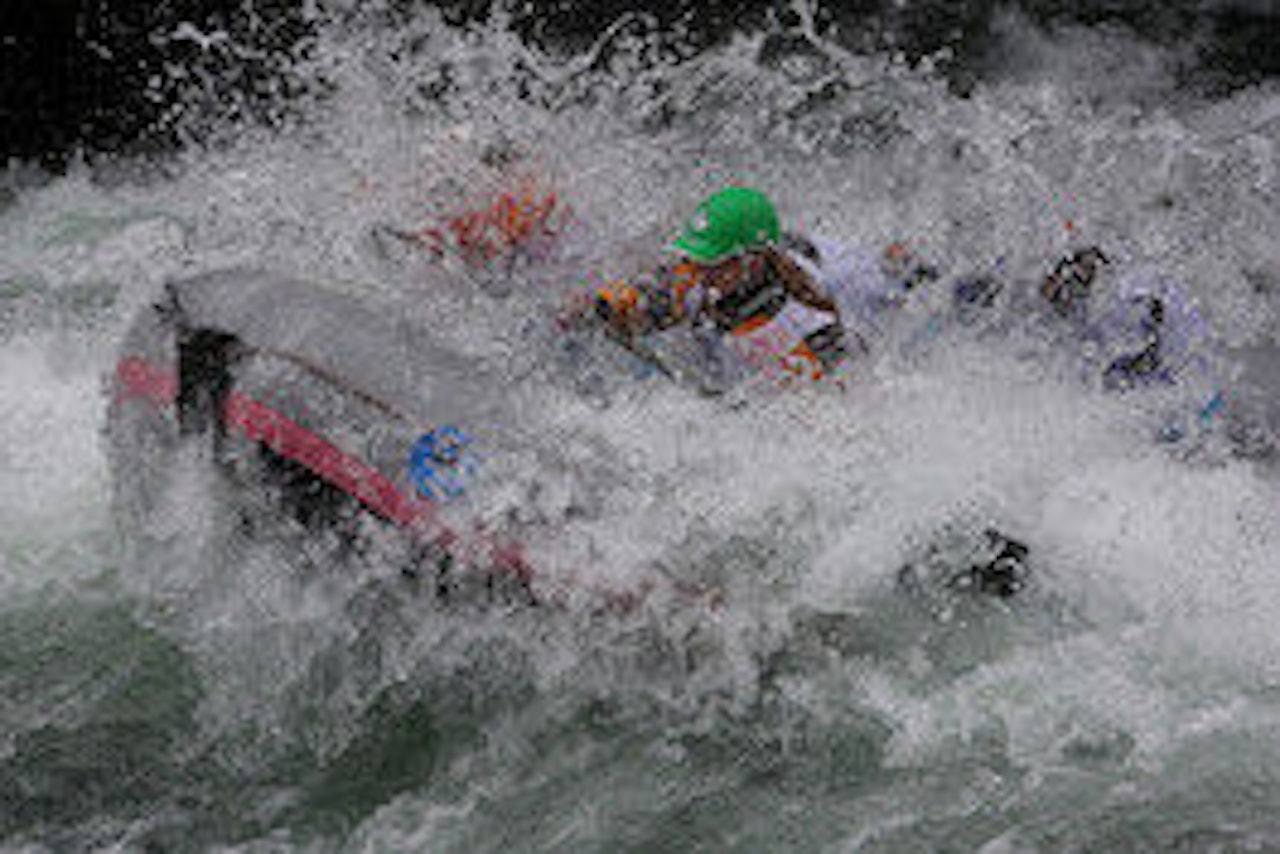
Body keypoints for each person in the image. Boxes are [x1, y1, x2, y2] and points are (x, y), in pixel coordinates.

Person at [559, 186, 937, 387]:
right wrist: (601, 308)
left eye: (712, 263)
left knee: (907, 280)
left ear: (750, 261)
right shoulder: (705, 273)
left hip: (859, 287)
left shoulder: (806, 328)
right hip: (813, 259)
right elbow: (649, 299)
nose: (697, 272)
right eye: (695, 259)